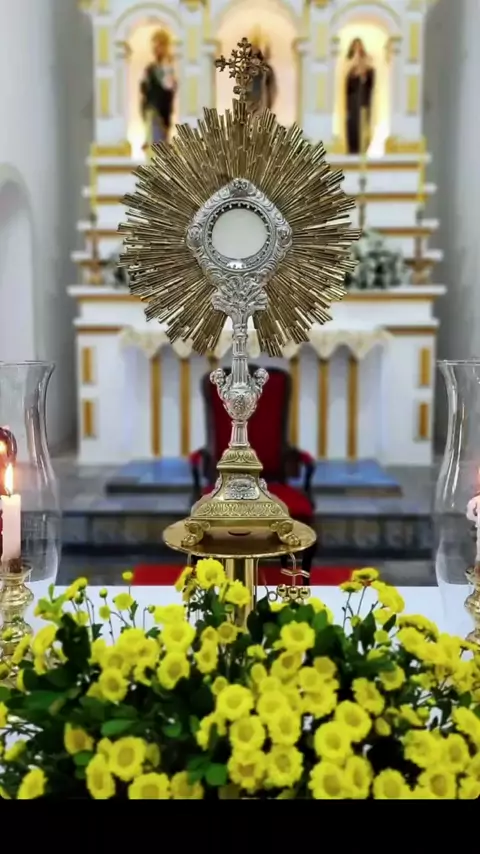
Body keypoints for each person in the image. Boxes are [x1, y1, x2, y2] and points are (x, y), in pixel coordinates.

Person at [140, 29, 176, 146]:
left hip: (161, 110)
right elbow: (144, 87)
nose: (156, 49)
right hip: (150, 108)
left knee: (158, 137)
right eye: (154, 45)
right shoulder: (150, 68)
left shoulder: (168, 66)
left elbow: (168, 87)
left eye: (159, 45)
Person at [345, 38, 375, 155]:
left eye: (359, 46)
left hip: (364, 101)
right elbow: (348, 85)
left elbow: (370, 83)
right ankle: (353, 149)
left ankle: (364, 149)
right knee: (353, 125)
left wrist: (364, 71)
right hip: (352, 102)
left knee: (364, 124)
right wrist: (355, 70)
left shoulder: (367, 64)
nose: (357, 49)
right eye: (355, 46)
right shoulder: (349, 64)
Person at [248, 35, 277, 115]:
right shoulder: (247, 68)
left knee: (261, 111)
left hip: (261, 94)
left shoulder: (265, 68)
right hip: (251, 94)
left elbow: (271, 83)